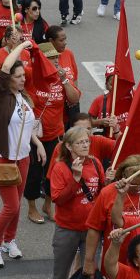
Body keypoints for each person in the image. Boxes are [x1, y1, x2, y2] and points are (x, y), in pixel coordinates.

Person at [0, 41, 46, 268]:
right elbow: (4, 66)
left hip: (23, 158)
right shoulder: (2, 95)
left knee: (17, 205)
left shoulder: (23, 98)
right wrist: (22, 45)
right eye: (18, 76)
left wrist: (38, 144)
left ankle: (9, 241)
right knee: (10, 206)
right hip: (3, 158)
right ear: (8, 79)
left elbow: (26, 127)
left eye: (23, 75)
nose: (23, 79)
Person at [48, 126, 106, 279]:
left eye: (87, 141)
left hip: (91, 230)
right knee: (61, 269)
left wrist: (111, 181)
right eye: (80, 142)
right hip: (67, 229)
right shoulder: (60, 168)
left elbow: (100, 192)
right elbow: (59, 199)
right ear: (69, 146)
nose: (85, 145)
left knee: (90, 270)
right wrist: (74, 178)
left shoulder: (96, 163)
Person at [24, 25, 81, 225]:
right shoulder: (31, 73)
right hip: (33, 135)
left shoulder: (61, 76)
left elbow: (73, 99)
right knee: (33, 173)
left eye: (56, 58)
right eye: (51, 59)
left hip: (56, 134)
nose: (56, 62)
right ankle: (32, 208)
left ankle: (48, 204)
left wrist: (64, 78)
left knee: (52, 173)